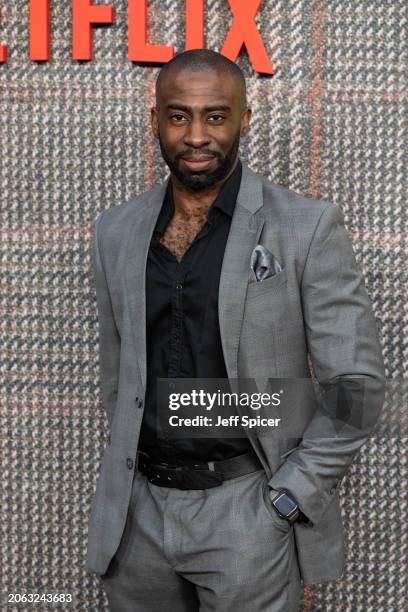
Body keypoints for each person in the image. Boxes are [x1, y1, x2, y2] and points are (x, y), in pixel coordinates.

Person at [85, 49, 386, 611]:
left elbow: (357, 387)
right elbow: (116, 373)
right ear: (154, 120)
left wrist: (287, 499)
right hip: (136, 516)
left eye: (215, 116)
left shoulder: (305, 226)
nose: (196, 135)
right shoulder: (116, 231)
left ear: (244, 119)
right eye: (178, 116)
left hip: (245, 512)